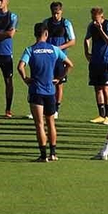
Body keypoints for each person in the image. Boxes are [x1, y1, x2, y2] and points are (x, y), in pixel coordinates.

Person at [19, 22, 71, 162]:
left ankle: (43, 156)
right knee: (51, 122)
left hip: (36, 90)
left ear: (35, 34)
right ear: (46, 34)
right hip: (50, 91)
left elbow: (20, 66)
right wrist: (59, 78)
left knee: (39, 124)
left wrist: (25, 78)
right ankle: (53, 153)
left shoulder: (30, 50)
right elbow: (69, 64)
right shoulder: (54, 49)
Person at [84, 7, 108, 124]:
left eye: (96, 18)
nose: (94, 21)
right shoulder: (91, 26)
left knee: (106, 89)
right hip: (95, 61)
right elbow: (86, 39)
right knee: (97, 88)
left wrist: (101, 30)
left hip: (106, 61)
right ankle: (101, 114)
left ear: (102, 16)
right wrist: (86, 52)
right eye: (92, 18)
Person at [44, 2, 76, 106]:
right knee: (46, 82)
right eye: (54, 13)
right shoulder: (46, 23)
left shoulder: (66, 23)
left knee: (59, 84)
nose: (56, 16)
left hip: (60, 58)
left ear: (61, 11)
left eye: (57, 13)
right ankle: (44, 107)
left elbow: (72, 41)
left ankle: (56, 109)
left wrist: (58, 49)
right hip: (48, 58)